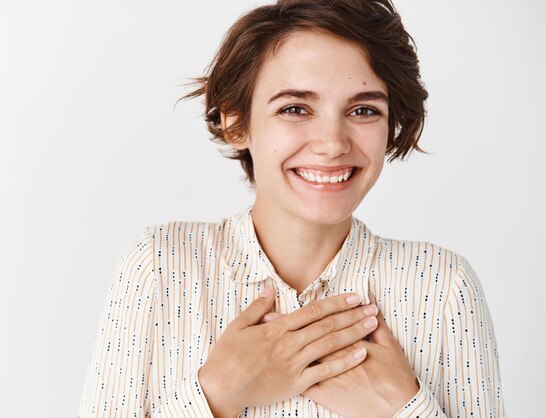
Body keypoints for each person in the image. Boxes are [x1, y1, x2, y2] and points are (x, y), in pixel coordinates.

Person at [77, 0, 505, 416]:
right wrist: (218, 393)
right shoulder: (158, 265)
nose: (333, 143)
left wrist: (403, 409)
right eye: (295, 108)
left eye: (363, 110)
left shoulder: (445, 287)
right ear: (236, 122)